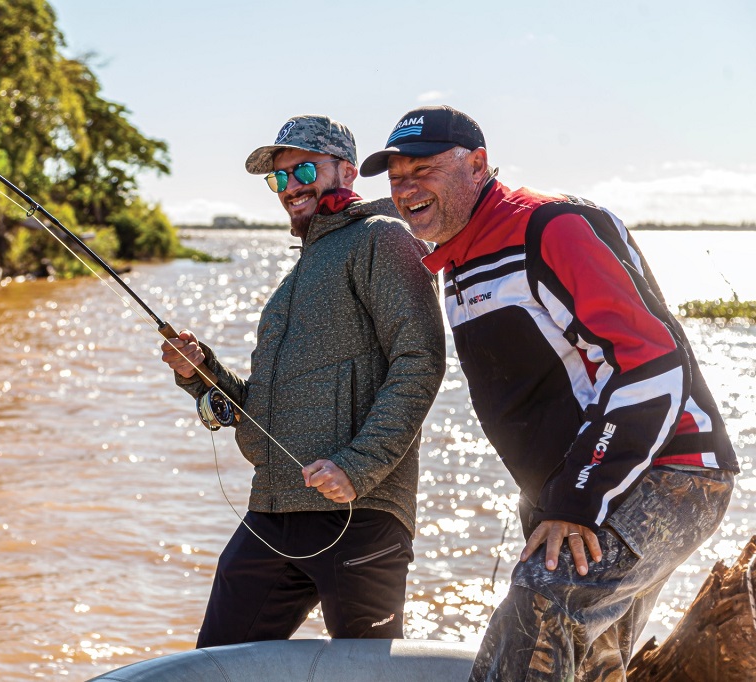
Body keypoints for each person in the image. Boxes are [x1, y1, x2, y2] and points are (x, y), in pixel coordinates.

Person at [360, 105, 739, 680]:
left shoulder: (550, 227)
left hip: (667, 471)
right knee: (592, 663)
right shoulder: (458, 258)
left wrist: (574, 502)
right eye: (397, 178)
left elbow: (653, 365)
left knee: (541, 609)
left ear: (478, 165)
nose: (406, 189)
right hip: (577, 488)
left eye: (424, 170)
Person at [160, 114, 446, 647]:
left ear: (347, 170)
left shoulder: (382, 238)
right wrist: (201, 376)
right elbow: (259, 413)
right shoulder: (300, 269)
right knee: (216, 665)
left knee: (367, 677)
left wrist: (357, 469)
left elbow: (421, 361)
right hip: (272, 511)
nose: (290, 188)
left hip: (361, 516)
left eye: (303, 170)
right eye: (279, 179)